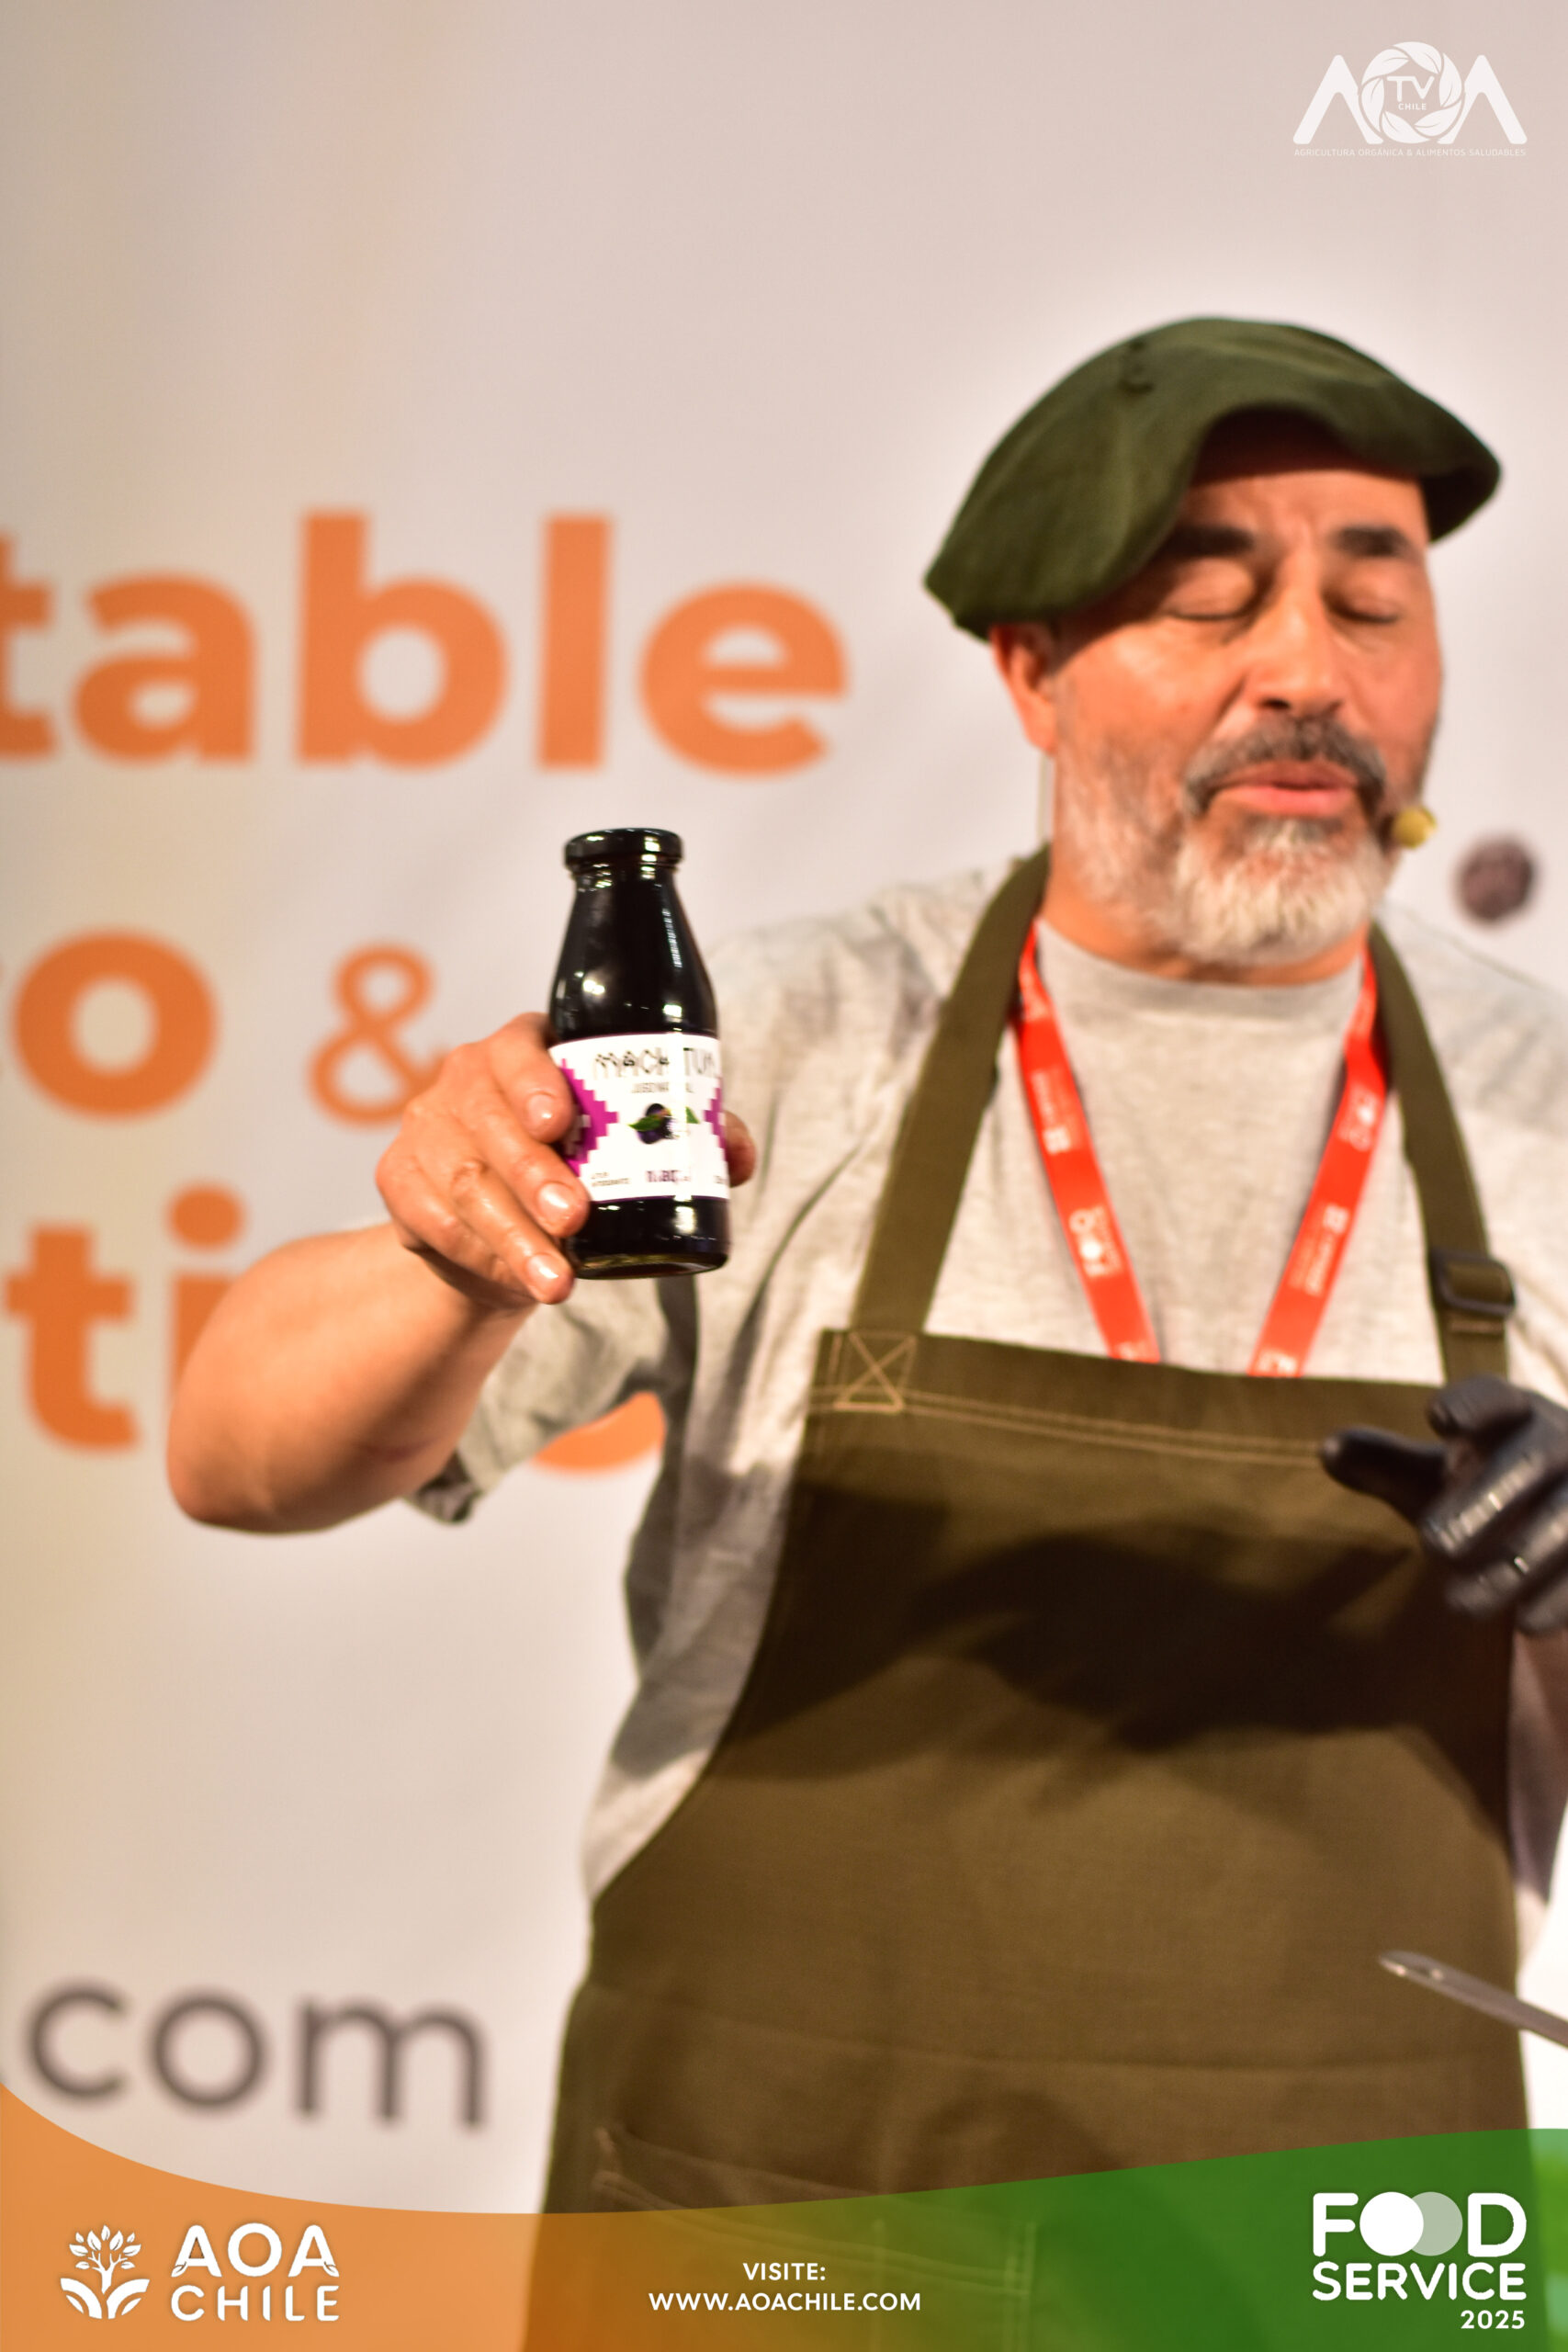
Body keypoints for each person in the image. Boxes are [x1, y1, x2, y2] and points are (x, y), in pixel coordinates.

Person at [169, 317, 1568, 2213]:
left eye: (1371, 600)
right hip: (774, 2215)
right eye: (1207, 599)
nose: (1309, 672)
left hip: (1336, 2245)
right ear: (1029, 671)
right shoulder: (785, 1041)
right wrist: (458, 1256)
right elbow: (235, 1454)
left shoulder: (1545, 1108)